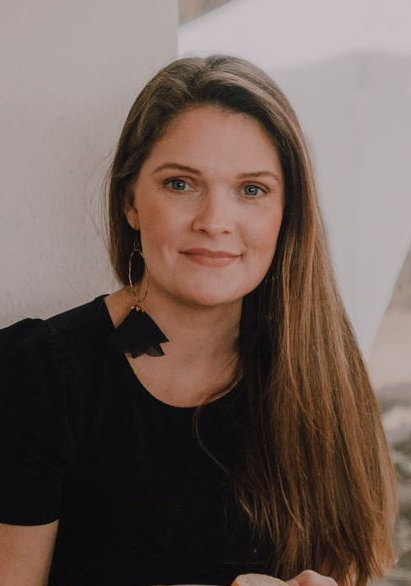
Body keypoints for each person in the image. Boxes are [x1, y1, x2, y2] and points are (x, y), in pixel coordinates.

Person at [0, 54, 398, 586]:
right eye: (181, 184)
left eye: (251, 190)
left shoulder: (325, 376)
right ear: (131, 202)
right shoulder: (35, 376)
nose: (214, 222)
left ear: (288, 214)